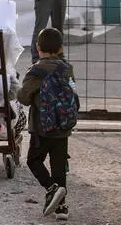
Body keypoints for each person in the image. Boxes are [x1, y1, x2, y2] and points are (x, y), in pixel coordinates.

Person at [17, 28, 75, 220]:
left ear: (38, 47)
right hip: (63, 127)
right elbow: (72, 95)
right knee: (59, 165)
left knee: (33, 160)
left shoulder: (36, 71)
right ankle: (61, 208)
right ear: (60, 48)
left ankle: (51, 188)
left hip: (42, 128)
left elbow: (24, 98)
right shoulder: (66, 69)